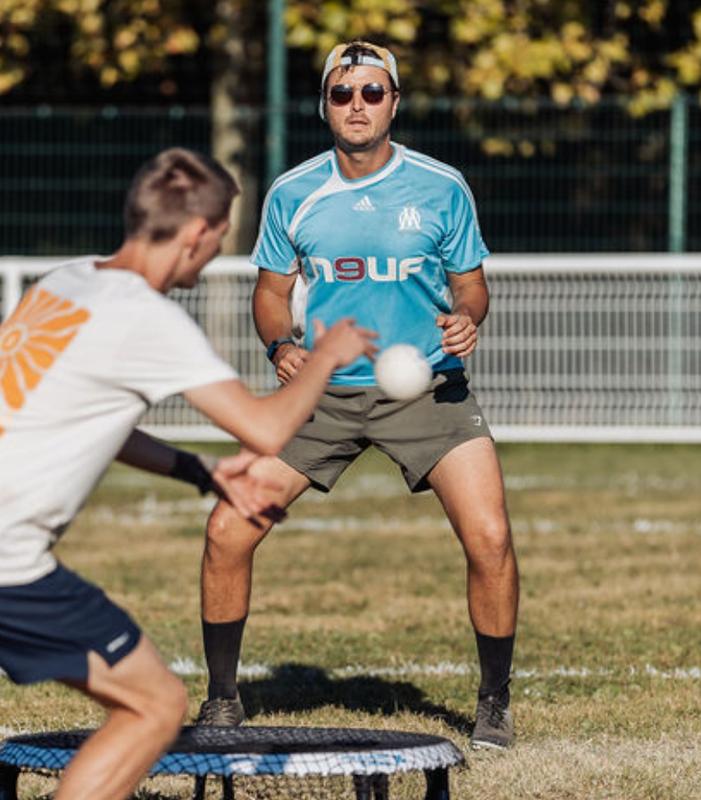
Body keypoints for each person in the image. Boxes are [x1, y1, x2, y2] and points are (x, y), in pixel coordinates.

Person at [0, 147, 376, 800]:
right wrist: (326, 356)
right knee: (155, 705)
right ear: (196, 233)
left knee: (147, 700)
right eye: (221, 237)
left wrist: (202, 472)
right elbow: (265, 430)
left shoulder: (66, 283)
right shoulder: (147, 317)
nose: (214, 255)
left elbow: (93, 419)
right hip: (9, 563)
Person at [197, 41, 519, 750]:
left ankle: (493, 702)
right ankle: (221, 701)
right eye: (342, 94)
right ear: (324, 105)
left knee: (491, 538)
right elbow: (271, 294)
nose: (357, 106)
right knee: (227, 528)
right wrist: (280, 346)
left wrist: (468, 318)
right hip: (322, 394)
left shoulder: (441, 187)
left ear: (394, 102)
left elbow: (470, 285)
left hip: (428, 389)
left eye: (372, 92)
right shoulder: (293, 193)